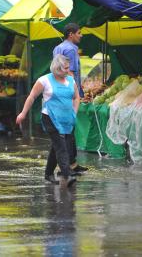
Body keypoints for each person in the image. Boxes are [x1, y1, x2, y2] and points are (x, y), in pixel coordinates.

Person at [16, 54, 80, 187]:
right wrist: (23, 113)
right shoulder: (44, 80)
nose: (68, 71)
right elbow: (32, 97)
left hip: (67, 119)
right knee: (62, 147)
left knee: (57, 146)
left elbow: (76, 97)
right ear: (57, 68)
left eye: (68, 68)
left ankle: (48, 173)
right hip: (50, 118)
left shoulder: (71, 81)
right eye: (65, 68)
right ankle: (66, 175)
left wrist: (74, 112)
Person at [53, 23, 88, 174]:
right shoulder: (71, 49)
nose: (81, 35)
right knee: (67, 131)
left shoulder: (57, 48)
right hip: (67, 93)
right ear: (71, 34)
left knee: (65, 130)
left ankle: (71, 164)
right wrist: (76, 94)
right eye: (79, 33)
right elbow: (71, 73)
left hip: (57, 91)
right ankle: (66, 166)